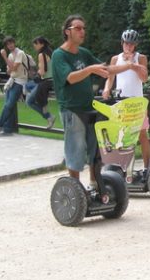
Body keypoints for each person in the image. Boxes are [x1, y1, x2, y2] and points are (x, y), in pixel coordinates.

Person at [51, 14, 131, 187]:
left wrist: (129, 66)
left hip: (89, 108)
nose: (82, 31)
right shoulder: (59, 56)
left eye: (83, 28)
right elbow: (70, 78)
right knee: (76, 149)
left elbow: (106, 69)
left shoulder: (84, 53)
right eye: (78, 28)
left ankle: (96, 184)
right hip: (71, 110)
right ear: (67, 32)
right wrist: (91, 69)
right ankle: (75, 187)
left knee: (96, 149)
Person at [103, 29, 150, 172]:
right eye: (126, 43)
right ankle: (124, 168)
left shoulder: (140, 58)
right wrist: (107, 89)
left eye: (131, 44)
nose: (128, 46)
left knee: (142, 135)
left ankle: (147, 168)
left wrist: (133, 64)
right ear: (122, 43)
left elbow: (144, 78)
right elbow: (110, 78)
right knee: (122, 135)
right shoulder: (115, 59)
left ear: (135, 45)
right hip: (121, 102)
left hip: (137, 102)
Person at [0, 36, 29, 136]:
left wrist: (4, 57)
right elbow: (9, 71)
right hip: (12, 81)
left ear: (14, 42)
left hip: (20, 82)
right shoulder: (10, 55)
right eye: (8, 44)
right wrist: (10, 66)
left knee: (9, 105)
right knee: (9, 106)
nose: (10, 45)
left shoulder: (20, 53)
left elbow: (13, 67)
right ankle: (8, 129)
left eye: (11, 43)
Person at [25, 36, 56, 129]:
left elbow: (42, 71)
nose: (34, 45)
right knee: (28, 86)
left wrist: (35, 74)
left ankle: (49, 116)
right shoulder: (51, 52)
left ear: (41, 44)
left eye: (36, 43)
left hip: (45, 82)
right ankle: (47, 113)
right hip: (52, 81)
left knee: (29, 101)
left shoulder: (41, 54)